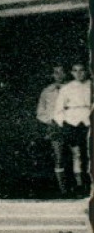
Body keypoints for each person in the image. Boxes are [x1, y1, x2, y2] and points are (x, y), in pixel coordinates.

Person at [54, 62, 91, 194]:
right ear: (71, 73)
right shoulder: (67, 88)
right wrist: (64, 123)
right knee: (77, 154)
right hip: (72, 123)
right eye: (75, 70)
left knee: (89, 153)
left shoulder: (91, 86)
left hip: (88, 120)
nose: (79, 73)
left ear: (86, 71)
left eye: (81, 70)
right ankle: (80, 184)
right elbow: (58, 110)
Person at [38, 65, 70, 194]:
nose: (59, 75)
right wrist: (50, 121)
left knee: (77, 155)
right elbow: (40, 112)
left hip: (72, 125)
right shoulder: (47, 91)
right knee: (59, 156)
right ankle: (63, 189)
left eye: (62, 72)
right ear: (52, 75)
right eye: (56, 72)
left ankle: (79, 185)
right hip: (55, 127)